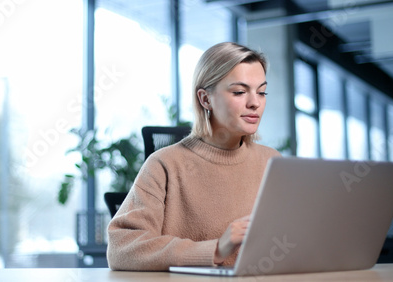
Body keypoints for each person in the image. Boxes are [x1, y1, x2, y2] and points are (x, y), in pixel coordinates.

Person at [107, 42, 281, 271]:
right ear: (205, 99)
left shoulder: (273, 163)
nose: (255, 103)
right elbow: (122, 248)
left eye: (261, 92)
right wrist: (217, 248)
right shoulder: (164, 165)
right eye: (239, 92)